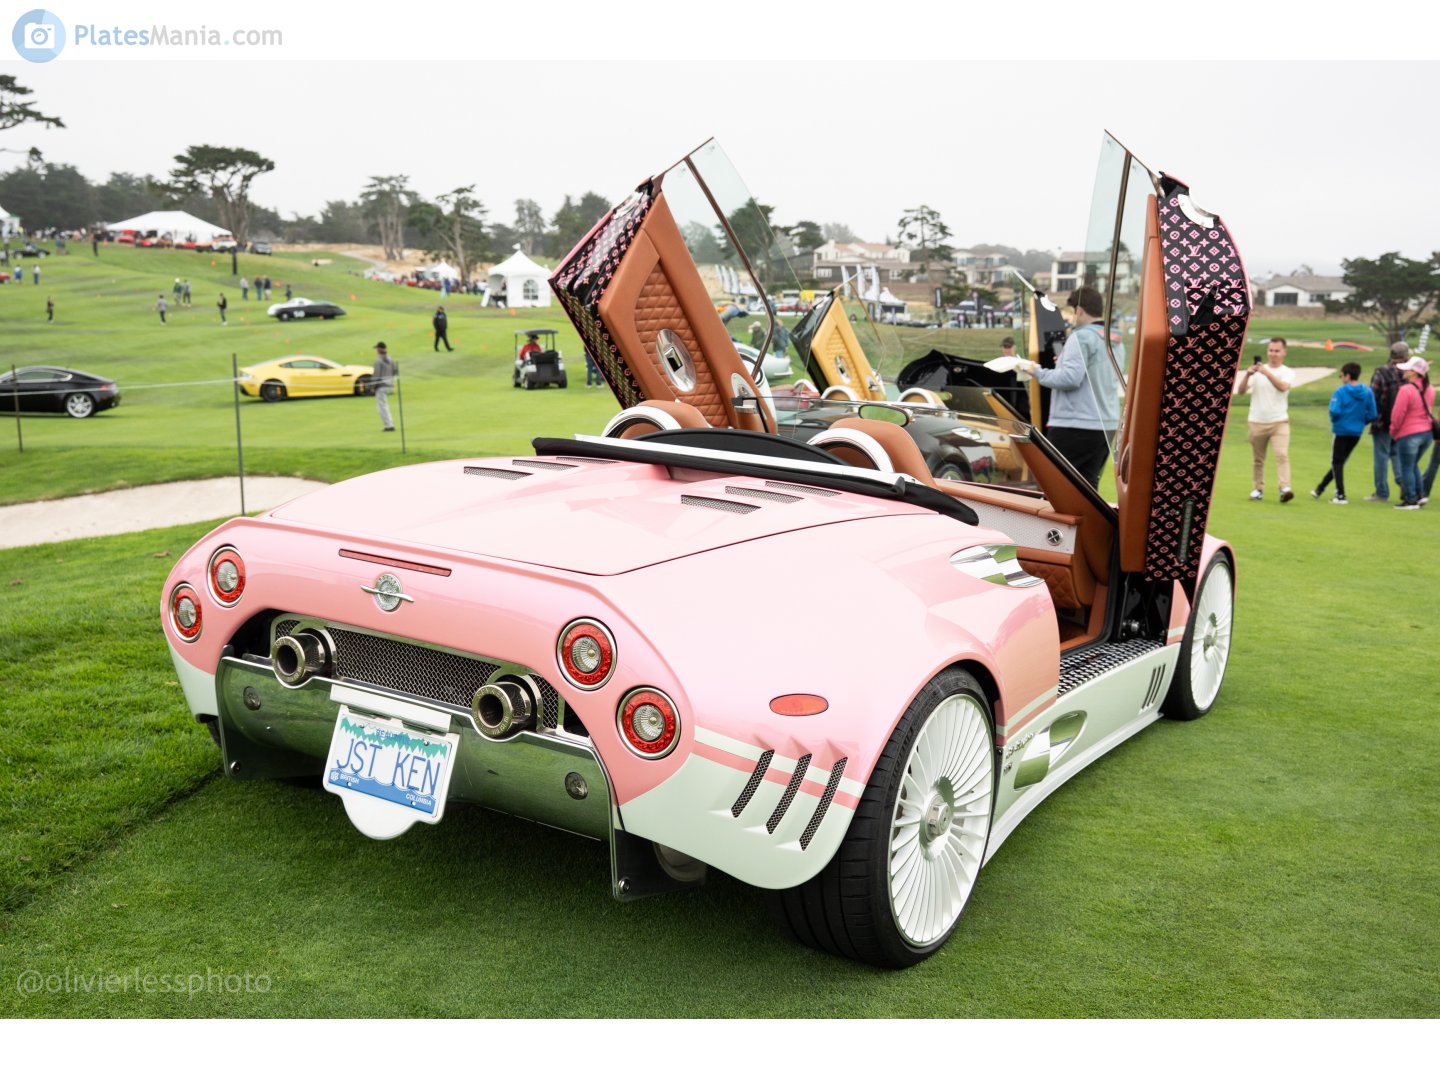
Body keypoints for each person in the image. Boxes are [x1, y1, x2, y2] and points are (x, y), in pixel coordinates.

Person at [1016, 286, 1119, 491]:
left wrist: (1035, 370)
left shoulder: (1080, 337)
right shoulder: (1113, 339)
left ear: (1079, 310)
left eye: (1073, 311)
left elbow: (1069, 379)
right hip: (1105, 424)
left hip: (1075, 424)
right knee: (1087, 488)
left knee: (1055, 486)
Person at [1238, 337, 1295, 502]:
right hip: (1256, 421)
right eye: (1271, 350)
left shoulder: (1287, 372)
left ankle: (1285, 488)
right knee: (1258, 459)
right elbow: (1241, 391)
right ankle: (1257, 489)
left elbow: (1283, 387)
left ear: (1284, 352)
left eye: (1277, 351)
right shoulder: (1257, 373)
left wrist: (1266, 372)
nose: (1273, 354)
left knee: (1282, 454)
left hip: (1279, 421)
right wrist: (1247, 375)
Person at [1310, 362, 1376, 504]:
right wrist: (1361, 422)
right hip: (1356, 432)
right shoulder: (1367, 391)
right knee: (1340, 462)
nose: (1341, 378)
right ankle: (1320, 488)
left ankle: (1340, 495)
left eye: (1342, 375)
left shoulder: (1340, 391)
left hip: (1341, 430)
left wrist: (1336, 421)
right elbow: (1372, 414)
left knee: (1337, 462)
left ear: (1347, 376)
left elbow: (1334, 411)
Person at [1365, 341, 1409, 501]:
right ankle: (1403, 482)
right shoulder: (1409, 373)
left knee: (1381, 457)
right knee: (1396, 454)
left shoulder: (1381, 373)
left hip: (1381, 422)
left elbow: (1372, 396)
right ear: (1405, 356)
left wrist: (1369, 417)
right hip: (1402, 423)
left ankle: (1381, 492)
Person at [1389, 357, 1434, 509]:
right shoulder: (1430, 389)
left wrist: (1393, 431)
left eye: (1407, 369)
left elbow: (1397, 415)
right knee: (1412, 464)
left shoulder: (1406, 390)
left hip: (1409, 434)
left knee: (1406, 467)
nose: (1403, 371)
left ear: (1414, 373)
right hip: (1427, 434)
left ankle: (1410, 500)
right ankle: (1420, 495)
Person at [372, 342, 398, 432]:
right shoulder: (390, 359)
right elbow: (395, 371)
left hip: (381, 386)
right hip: (389, 385)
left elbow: (376, 375)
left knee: (382, 407)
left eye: (377, 348)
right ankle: (389, 424)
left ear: (379, 349)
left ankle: (389, 425)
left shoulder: (378, 361)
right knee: (384, 405)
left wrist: (373, 386)